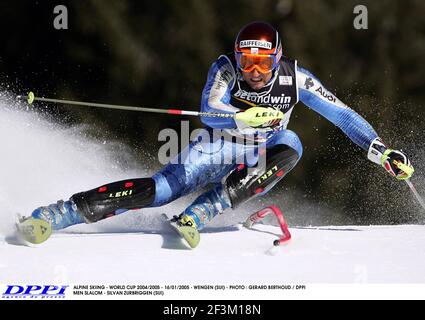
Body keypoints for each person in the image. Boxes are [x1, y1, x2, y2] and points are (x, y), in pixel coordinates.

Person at [28, 21, 414, 240]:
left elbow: (342, 115)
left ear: (277, 59)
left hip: (262, 149)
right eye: (248, 62)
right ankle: (61, 213)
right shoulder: (226, 69)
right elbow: (208, 110)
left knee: (291, 143)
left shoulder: (296, 79)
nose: (255, 73)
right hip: (219, 143)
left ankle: (205, 210)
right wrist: (240, 118)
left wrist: (381, 151)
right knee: (162, 190)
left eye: (263, 64)